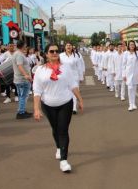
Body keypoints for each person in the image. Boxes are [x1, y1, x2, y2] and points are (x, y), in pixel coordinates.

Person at [33, 43, 84, 173]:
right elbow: (37, 91)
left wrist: (80, 99)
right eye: (51, 51)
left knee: (63, 130)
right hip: (48, 105)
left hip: (65, 103)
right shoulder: (40, 70)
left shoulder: (65, 68)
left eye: (56, 51)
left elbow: (73, 84)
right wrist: (37, 109)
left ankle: (64, 160)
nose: (55, 53)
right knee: (55, 128)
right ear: (46, 54)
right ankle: (58, 147)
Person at [12, 41, 33, 119]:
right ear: (23, 45)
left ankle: (22, 110)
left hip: (20, 79)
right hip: (22, 79)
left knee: (22, 96)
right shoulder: (19, 55)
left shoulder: (17, 53)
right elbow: (20, 66)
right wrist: (26, 75)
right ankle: (21, 112)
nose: (26, 46)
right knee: (23, 96)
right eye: (25, 45)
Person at [60, 43, 80, 114]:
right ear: (65, 47)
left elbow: (79, 66)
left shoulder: (76, 55)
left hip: (74, 77)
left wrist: (80, 76)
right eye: (67, 45)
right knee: (66, 92)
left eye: (70, 45)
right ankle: (66, 107)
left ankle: (74, 108)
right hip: (64, 77)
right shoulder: (61, 55)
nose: (68, 47)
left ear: (72, 47)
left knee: (75, 92)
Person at [122, 41, 138, 111]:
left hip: (135, 74)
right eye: (130, 44)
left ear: (134, 45)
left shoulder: (137, 53)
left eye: (133, 44)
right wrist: (123, 74)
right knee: (130, 89)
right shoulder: (125, 53)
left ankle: (134, 103)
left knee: (134, 89)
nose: (132, 45)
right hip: (128, 74)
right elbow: (123, 65)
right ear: (128, 45)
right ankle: (130, 104)